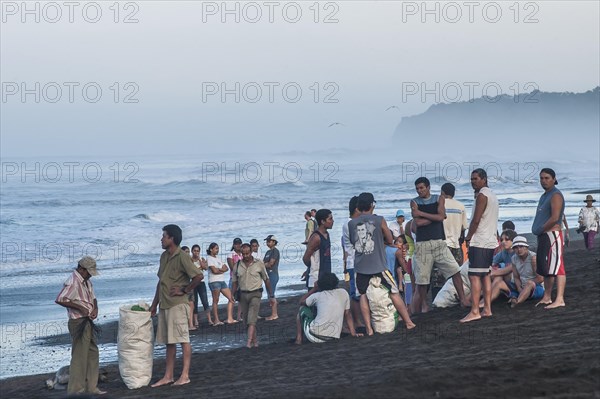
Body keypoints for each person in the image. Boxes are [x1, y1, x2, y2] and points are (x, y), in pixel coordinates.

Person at [349, 192, 415, 335]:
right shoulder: (379, 220)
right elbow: (390, 239)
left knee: (363, 295)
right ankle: (408, 322)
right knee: (393, 292)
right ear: (372, 205)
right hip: (378, 264)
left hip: (361, 266)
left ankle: (369, 328)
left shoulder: (351, 223)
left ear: (359, 207)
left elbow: (355, 243)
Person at [150, 224, 204, 387]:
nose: (161, 239)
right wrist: (154, 305)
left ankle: (185, 375)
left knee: (183, 339)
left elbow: (198, 276)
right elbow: (161, 282)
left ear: (171, 238)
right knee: (169, 341)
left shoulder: (182, 256)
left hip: (178, 305)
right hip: (165, 304)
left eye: (164, 236)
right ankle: (168, 376)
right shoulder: (164, 256)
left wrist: (184, 290)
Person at [410, 177, 470, 314]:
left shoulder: (438, 199)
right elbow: (418, 223)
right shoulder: (414, 201)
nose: (419, 191)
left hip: (439, 242)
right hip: (423, 244)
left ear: (428, 187)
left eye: (422, 188)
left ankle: (463, 300)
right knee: (422, 281)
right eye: (417, 188)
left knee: (455, 270)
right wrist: (434, 217)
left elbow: (441, 216)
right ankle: (419, 309)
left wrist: (422, 214)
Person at [55, 257, 105, 395]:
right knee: (79, 355)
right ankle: (76, 390)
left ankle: (92, 387)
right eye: (89, 272)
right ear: (81, 269)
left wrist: (95, 309)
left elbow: (93, 298)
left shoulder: (86, 282)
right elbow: (61, 299)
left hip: (87, 320)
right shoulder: (73, 281)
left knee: (92, 352)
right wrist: (79, 308)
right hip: (78, 321)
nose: (90, 275)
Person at [461, 169, 499, 323]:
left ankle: (475, 310)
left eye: (476, 179)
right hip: (489, 240)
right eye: (471, 179)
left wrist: (468, 237)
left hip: (480, 241)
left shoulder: (482, 196)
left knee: (474, 275)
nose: (473, 182)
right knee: (485, 276)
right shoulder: (492, 194)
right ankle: (487, 309)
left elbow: (476, 220)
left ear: (484, 179)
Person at [294, 272, 361, 344]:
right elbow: (348, 314)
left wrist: (314, 289)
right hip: (333, 336)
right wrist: (353, 333)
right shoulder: (343, 292)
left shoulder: (318, 295)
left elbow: (301, 301)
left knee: (302, 308)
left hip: (314, 335)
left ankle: (299, 338)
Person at [532, 168, 566, 309]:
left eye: (546, 178)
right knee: (546, 267)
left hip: (552, 235)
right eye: (541, 178)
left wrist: (540, 229)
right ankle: (547, 297)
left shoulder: (555, 195)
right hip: (544, 235)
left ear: (553, 179)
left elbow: (555, 218)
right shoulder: (544, 195)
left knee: (557, 267)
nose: (543, 181)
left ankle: (559, 299)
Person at [232, 243, 274, 348]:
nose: (245, 256)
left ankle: (248, 342)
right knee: (246, 321)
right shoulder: (237, 265)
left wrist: (271, 295)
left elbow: (266, 279)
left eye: (247, 253)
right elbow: (234, 282)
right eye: (243, 254)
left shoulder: (259, 263)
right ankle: (255, 342)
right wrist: (232, 295)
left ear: (251, 252)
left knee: (252, 319)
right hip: (242, 295)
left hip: (256, 294)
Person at [490, 236, 544, 307]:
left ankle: (517, 301)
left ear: (526, 247)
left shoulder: (533, 258)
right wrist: (519, 288)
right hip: (521, 285)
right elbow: (516, 277)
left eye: (521, 247)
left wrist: (526, 286)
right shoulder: (514, 258)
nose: (519, 249)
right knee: (499, 282)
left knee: (529, 283)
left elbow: (540, 278)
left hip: (536, 287)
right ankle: (484, 303)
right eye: (516, 247)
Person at [341, 196, 364, 327]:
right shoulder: (349, 223)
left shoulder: (352, 222)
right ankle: (357, 321)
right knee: (355, 294)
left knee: (360, 292)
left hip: (357, 261)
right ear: (357, 208)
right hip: (354, 262)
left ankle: (359, 320)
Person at [206, 242, 237, 325]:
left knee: (231, 298)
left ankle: (229, 318)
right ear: (211, 249)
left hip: (222, 281)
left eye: (218, 248)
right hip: (214, 281)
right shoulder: (209, 258)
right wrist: (221, 270)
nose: (217, 250)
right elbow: (214, 271)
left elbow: (226, 268)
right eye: (216, 248)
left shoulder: (218, 258)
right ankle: (216, 320)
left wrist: (220, 270)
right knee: (216, 300)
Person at [303, 209, 333, 290]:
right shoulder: (316, 237)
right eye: (330, 219)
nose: (332, 221)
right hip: (316, 279)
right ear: (323, 221)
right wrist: (312, 267)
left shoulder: (327, 234)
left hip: (326, 276)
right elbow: (306, 258)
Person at [441, 183, 468, 266]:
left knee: (442, 273)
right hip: (456, 244)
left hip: (443, 245)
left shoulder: (439, 205)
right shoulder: (461, 206)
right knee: (456, 272)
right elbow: (464, 228)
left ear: (442, 192)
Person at [191, 244, 212, 327]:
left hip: (201, 282)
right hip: (193, 282)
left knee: (205, 301)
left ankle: (209, 319)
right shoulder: (190, 260)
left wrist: (199, 260)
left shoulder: (201, 259)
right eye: (195, 251)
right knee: (194, 302)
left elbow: (205, 268)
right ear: (192, 251)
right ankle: (196, 321)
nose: (196, 252)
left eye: (198, 251)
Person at [263, 234, 280, 320]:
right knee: (270, 294)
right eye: (267, 241)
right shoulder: (268, 252)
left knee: (271, 294)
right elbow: (264, 263)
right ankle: (273, 313)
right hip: (268, 275)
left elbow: (270, 264)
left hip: (273, 274)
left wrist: (263, 264)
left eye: (269, 241)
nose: (267, 243)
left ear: (274, 242)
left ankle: (274, 314)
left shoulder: (275, 251)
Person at [227, 238, 243, 321]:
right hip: (234, 279)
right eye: (236, 244)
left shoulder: (242, 254)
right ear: (233, 245)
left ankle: (239, 316)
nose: (238, 245)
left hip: (242, 278)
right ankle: (230, 317)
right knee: (231, 297)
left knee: (241, 298)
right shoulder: (231, 254)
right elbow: (232, 267)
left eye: (239, 244)